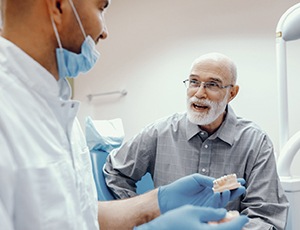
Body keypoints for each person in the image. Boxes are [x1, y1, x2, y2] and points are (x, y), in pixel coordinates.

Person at [0, 0, 249, 229]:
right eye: (101, 7)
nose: (104, 31)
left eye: (213, 84)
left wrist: (155, 203)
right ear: (58, 5)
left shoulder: (58, 107)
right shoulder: (8, 111)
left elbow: (79, 217)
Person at [104, 52, 289, 229]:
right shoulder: (159, 132)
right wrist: (144, 219)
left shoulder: (256, 143)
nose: (199, 93)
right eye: (194, 82)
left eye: (213, 84)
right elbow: (115, 172)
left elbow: (265, 216)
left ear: (232, 93)